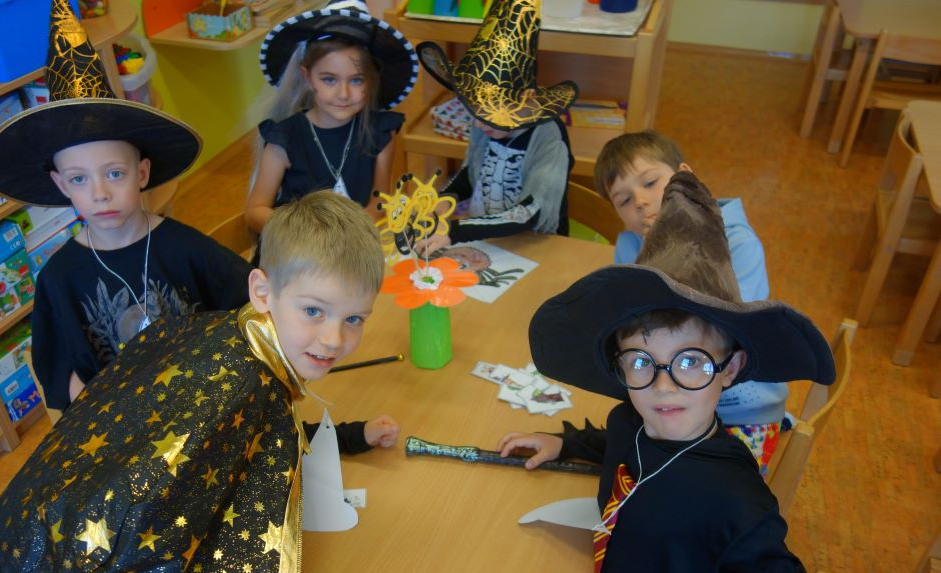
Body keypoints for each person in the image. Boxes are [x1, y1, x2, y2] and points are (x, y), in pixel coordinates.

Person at [0, 189, 400, 573]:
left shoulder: (225, 334)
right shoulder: (243, 386)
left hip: (36, 535)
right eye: (314, 311)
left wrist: (349, 437)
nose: (334, 338)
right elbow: (152, 547)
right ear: (263, 292)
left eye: (354, 319)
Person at [497, 172, 835, 573]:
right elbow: (617, 441)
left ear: (731, 368)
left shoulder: (734, 499)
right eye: (640, 361)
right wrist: (566, 441)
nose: (662, 387)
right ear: (618, 365)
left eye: (691, 362)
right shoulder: (629, 419)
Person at [0, 0, 252, 412]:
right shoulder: (59, 279)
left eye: (115, 173)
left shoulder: (184, 247)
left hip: (205, 404)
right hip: (123, 422)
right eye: (79, 179)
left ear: (142, 173)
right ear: (61, 185)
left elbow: (249, 304)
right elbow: (65, 379)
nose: (100, 193)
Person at [593, 130, 785, 473]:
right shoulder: (629, 245)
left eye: (650, 182)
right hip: (666, 396)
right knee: (631, 465)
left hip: (741, 410)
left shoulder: (739, 244)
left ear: (685, 176)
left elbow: (727, 325)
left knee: (698, 486)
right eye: (624, 200)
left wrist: (666, 249)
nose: (640, 202)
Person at [245, 0, 418, 261]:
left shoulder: (380, 133)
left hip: (353, 251)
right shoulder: (285, 139)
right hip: (296, 256)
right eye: (329, 79)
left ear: (371, 80)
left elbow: (380, 200)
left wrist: (352, 235)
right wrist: (311, 237)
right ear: (307, 76)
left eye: (356, 80)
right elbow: (255, 212)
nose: (343, 94)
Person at [412, 0, 577, 255]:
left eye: (489, 115)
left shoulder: (548, 137)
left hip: (534, 246)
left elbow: (530, 212)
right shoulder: (485, 123)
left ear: (526, 99)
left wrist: (456, 232)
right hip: (486, 240)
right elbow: (471, 172)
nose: (478, 124)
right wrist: (444, 198)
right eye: (475, 112)